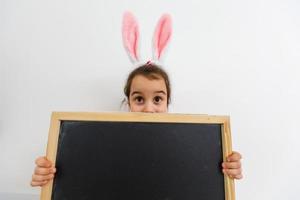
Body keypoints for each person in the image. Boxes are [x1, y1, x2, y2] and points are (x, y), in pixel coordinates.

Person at [30, 12, 243, 187]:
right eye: (139, 99)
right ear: (128, 102)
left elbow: (198, 175)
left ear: (168, 102)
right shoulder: (106, 143)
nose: (149, 108)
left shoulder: (185, 145)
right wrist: (49, 176)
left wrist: (224, 168)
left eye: (158, 99)